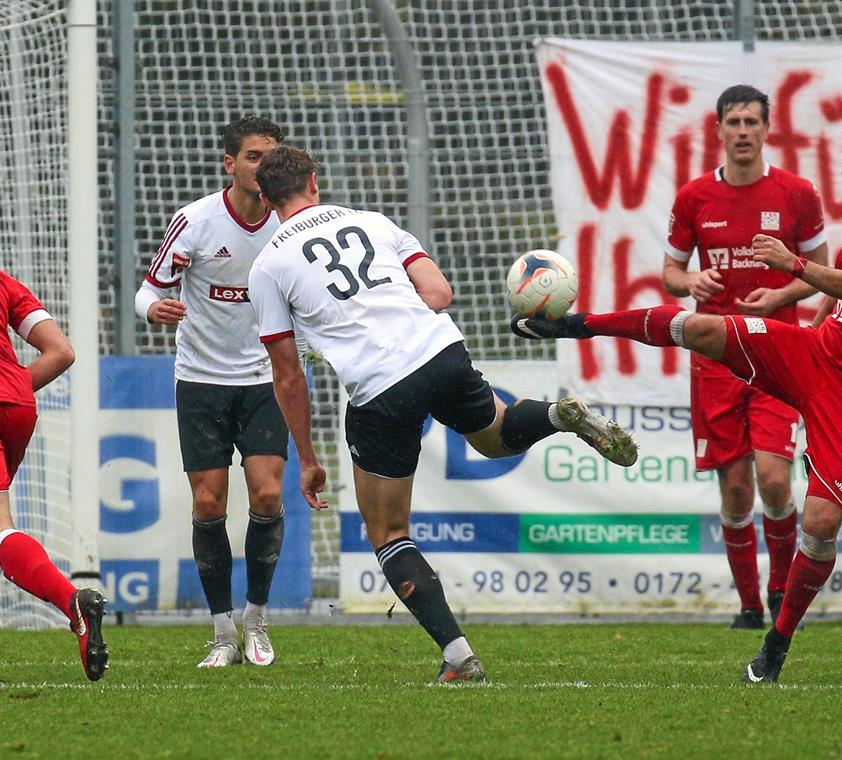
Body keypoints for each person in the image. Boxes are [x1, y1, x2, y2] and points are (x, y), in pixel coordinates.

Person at [514, 160, 842, 684]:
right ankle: (576, 325)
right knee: (699, 327)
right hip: (812, 357)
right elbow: (835, 307)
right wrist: (801, 333)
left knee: (820, 524)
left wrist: (793, 265)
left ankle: (777, 642)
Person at [246, 145, 639, 684]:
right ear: (315, 182)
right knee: (497, 437)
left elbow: (288, 374)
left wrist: (308, 458)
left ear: (265, 200)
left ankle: (459, 655)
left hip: (381, 385)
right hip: (439, 350)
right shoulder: (372, 221)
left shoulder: (268, 265)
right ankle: (557, 416)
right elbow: (439, 293)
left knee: (387, 532)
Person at [662, 84, 827, 629]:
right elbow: (670, 274)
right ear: (718, 130)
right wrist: (692, 279)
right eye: (732, 122)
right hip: (716, 359)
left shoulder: (797, 193)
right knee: (735, 489)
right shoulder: (693, 198)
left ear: (766, 129)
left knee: (775, 480)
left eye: (751, 122)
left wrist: (782, 296)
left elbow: (820, 273)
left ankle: (781, 591)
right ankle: (749, 606)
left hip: (777, 353)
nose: (742, 132)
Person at [136, 115, 288, 668]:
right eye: (252, 157)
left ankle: (256, 618)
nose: (261, 167)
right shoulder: (194, 222)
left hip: (265, 379)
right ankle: (223, 633)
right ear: (230, 164)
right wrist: (154, 308)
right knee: (208, 503)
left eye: (270, 157)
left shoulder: (290, 225)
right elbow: (147, 291)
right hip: (200, 378)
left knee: (268, 496)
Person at [0, 269, 107, 681]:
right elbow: (61, 352)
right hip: (17, 406)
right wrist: (11, 387)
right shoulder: (5, 283)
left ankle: (70, 600)